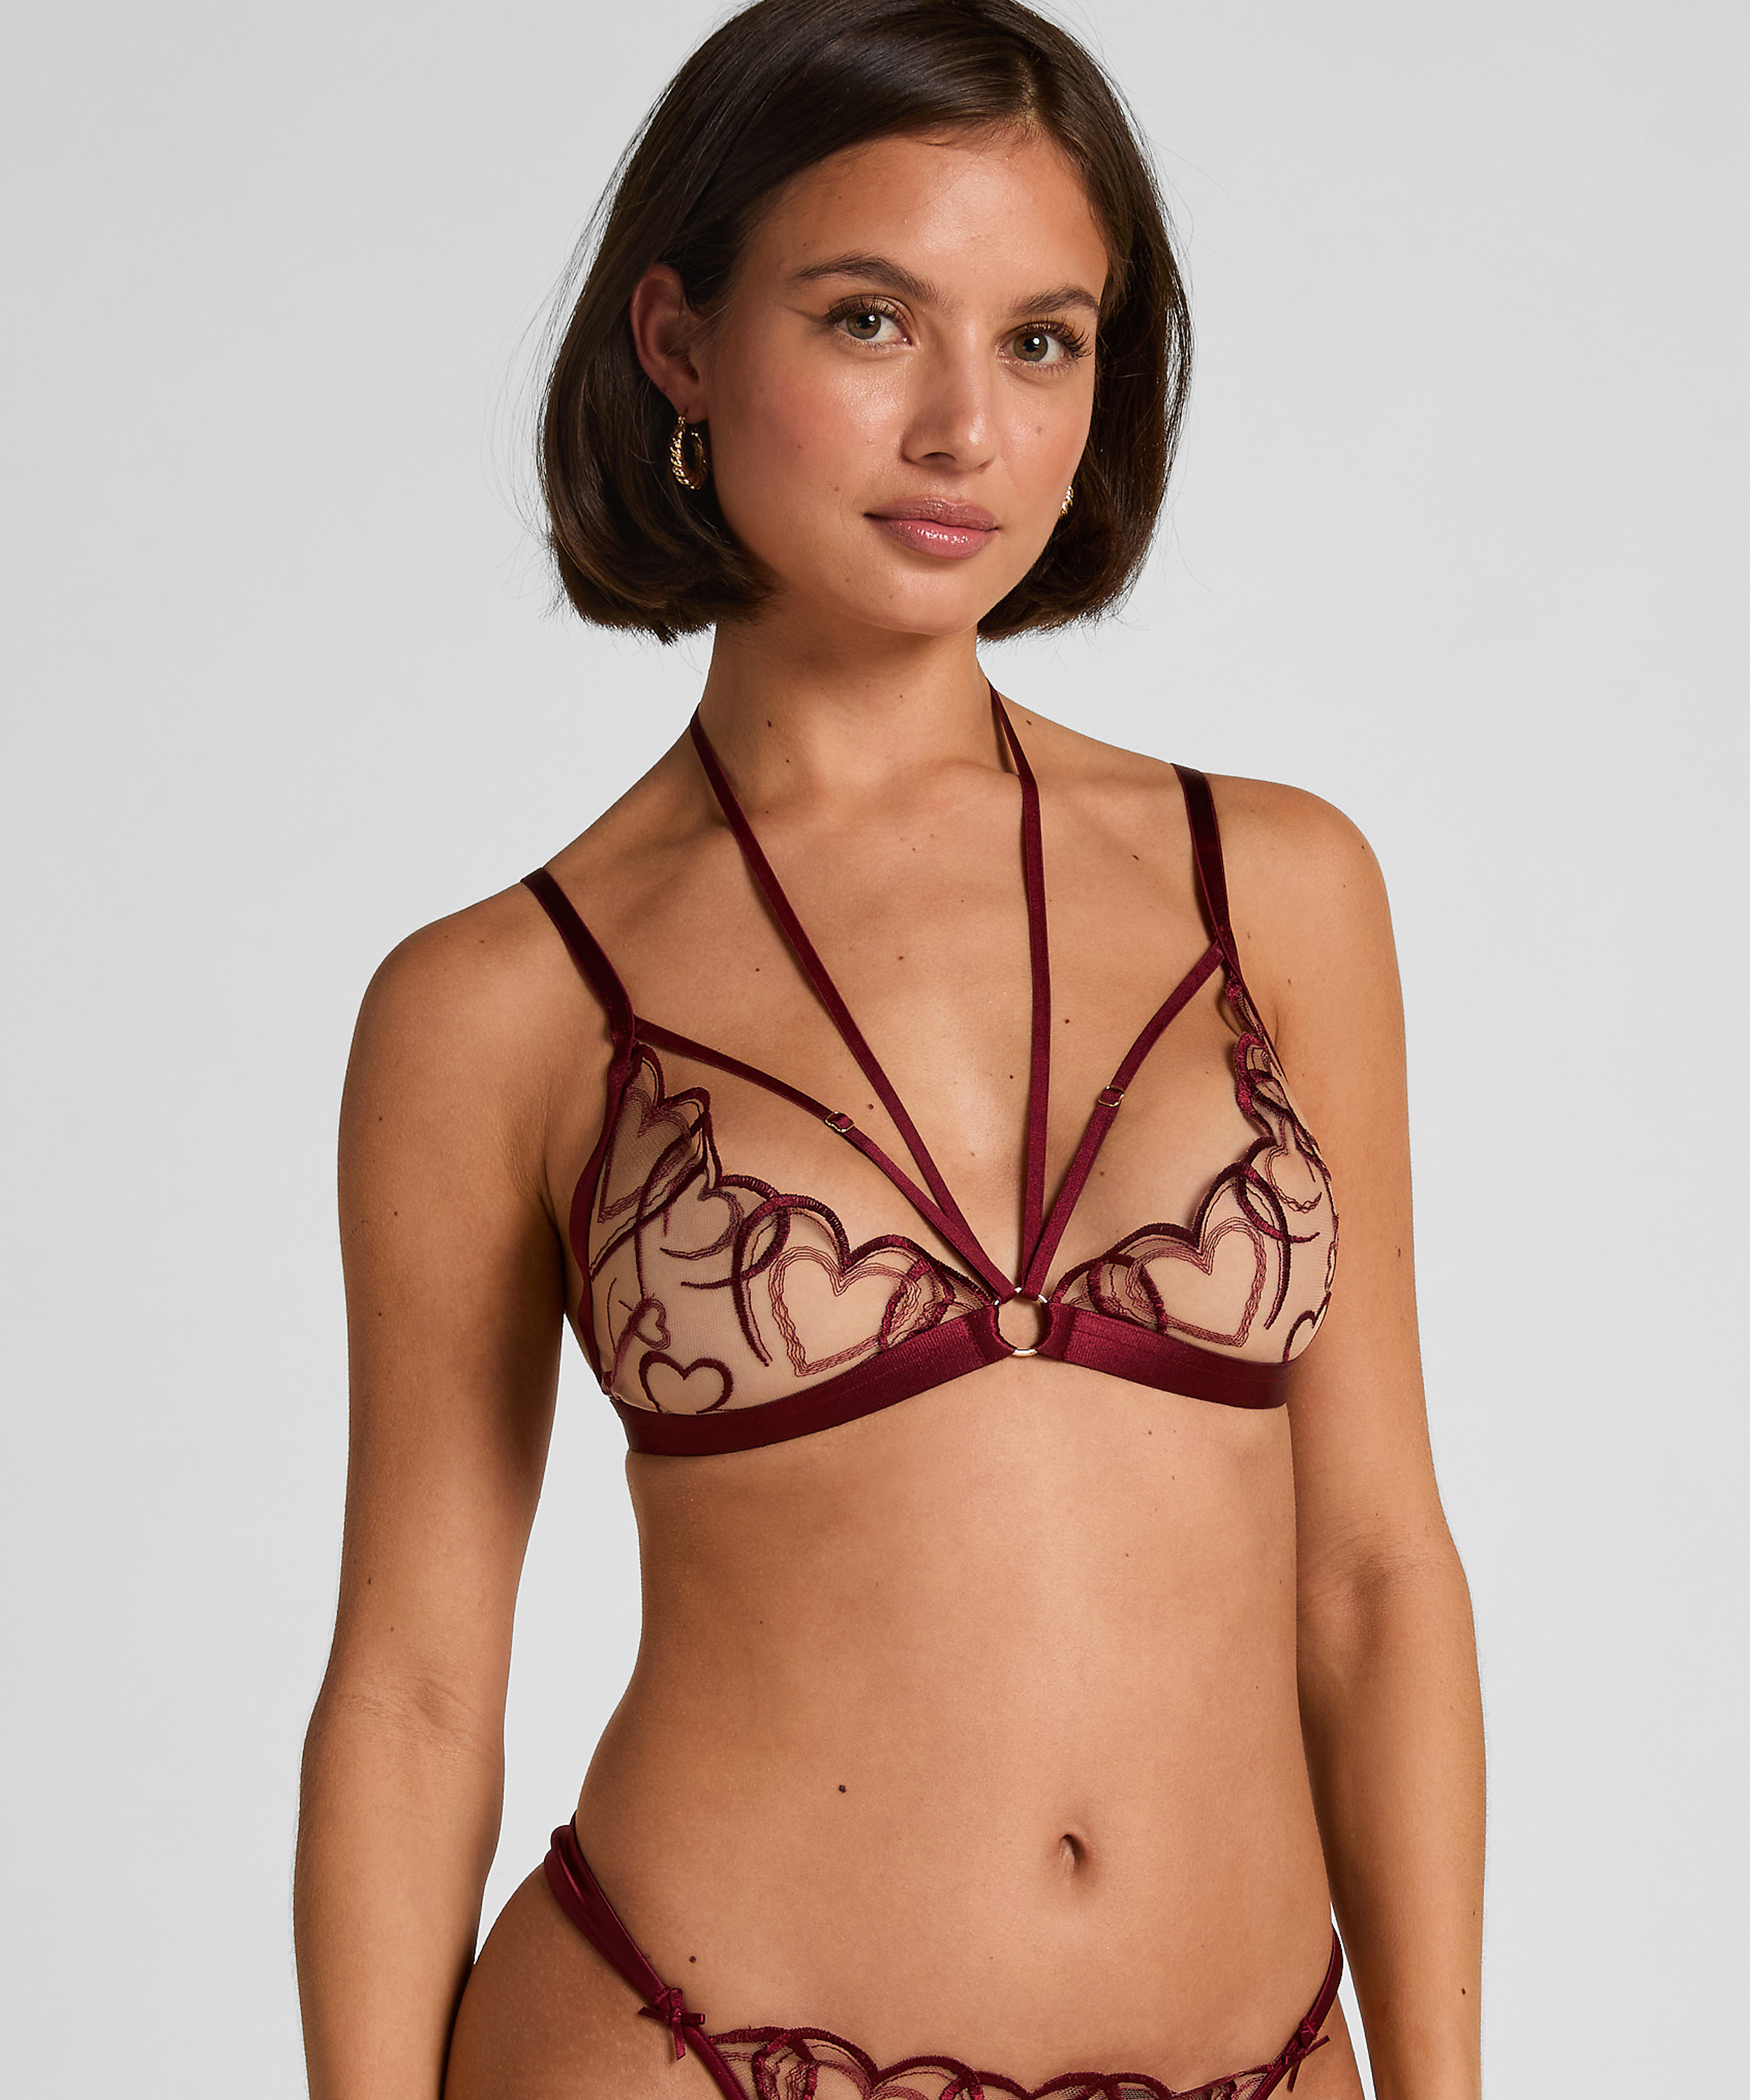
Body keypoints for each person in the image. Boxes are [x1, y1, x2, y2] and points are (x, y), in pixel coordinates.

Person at [293, 3, 1485, 2094]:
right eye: (869, 321)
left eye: (1042, 341)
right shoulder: (501, 1004)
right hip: (688, 2053)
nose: (963, 430)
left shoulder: (1276, 888)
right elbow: (411, 1690)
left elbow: (1376, 1578)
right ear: (677, 342)